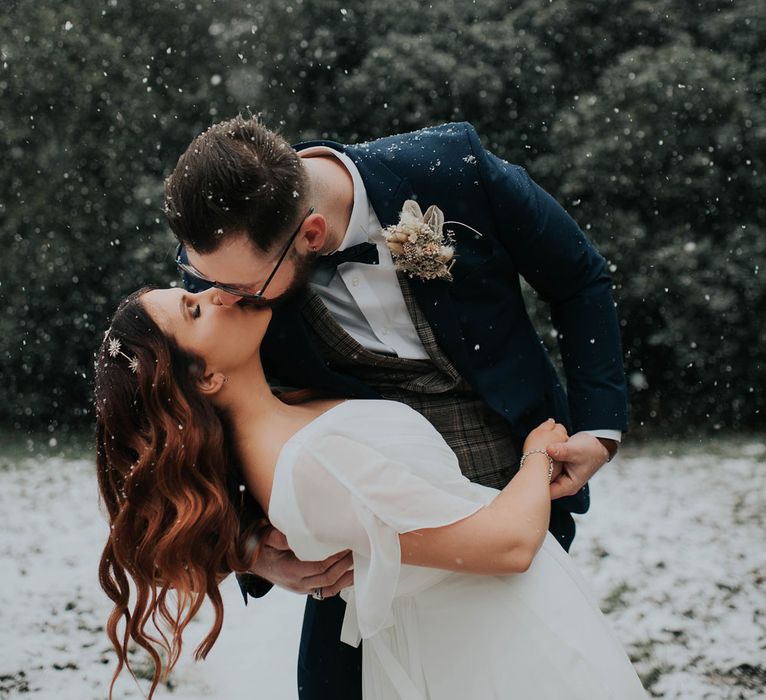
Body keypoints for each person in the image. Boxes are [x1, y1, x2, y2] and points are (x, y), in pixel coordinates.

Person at [162, 116, 628, 698]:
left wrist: (599, 426)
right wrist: (251, 548)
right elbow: (197, 418)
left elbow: (578, 276)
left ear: (311, 234)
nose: (220, 298)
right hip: (360, 549)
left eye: (244, 291)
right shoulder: (229, 270)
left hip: (522, 493)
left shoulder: (454, 169)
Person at [95, 286, 647, 699]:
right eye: (194, 309)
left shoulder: (294, 409)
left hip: (494, 619)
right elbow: (507, 547)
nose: (214, 291)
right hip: (487, 639)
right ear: (207, 378)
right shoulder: (309, 460)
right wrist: (535, 455)